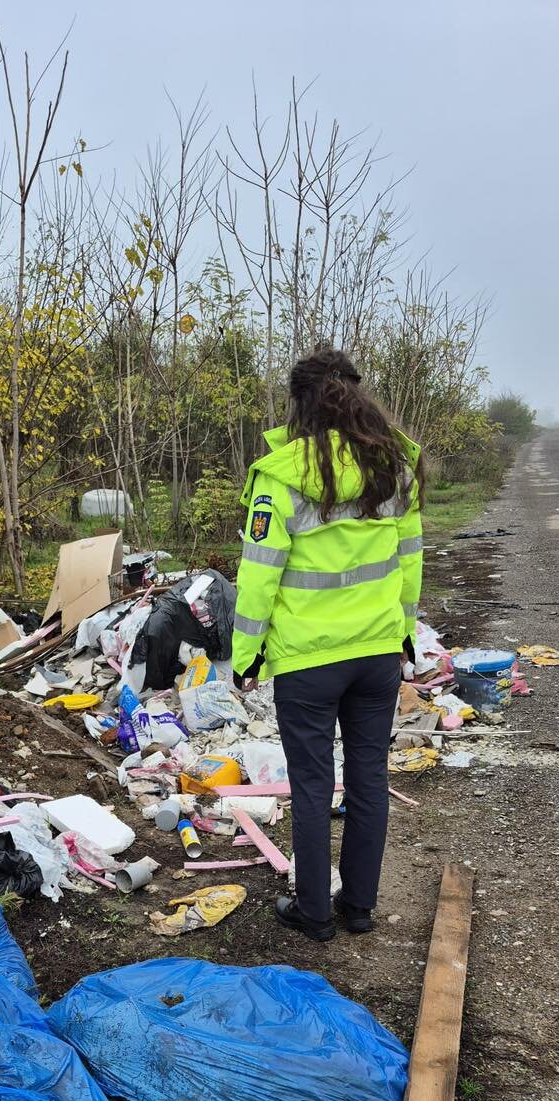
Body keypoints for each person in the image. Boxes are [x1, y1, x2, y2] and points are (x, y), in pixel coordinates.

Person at [230, 348, 423, 941]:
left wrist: (246, 655)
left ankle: (314, 912)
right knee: (369, 777)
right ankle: (359, 907)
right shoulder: (394, 465)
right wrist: (405, 633)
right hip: (376, 654)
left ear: (300, 403)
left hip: (309, 662)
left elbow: (258, 575)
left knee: (313, 784)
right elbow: (409, 562)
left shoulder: (282, 477)